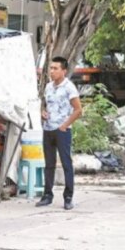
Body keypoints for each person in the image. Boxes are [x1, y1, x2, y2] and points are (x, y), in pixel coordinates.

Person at [37, 56, 83, 210]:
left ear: (64, 71)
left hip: (62, 130)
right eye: (51, 68)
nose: (52, 71)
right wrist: (43, 112)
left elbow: (78, 110)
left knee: (66, 164)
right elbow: (45, 105)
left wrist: (65, 125)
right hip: (48, 129)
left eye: (55, 68)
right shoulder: (48, 87)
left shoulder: (69, 87)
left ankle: (68, 197)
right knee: (48, 164)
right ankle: (47, 195)